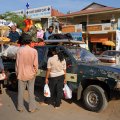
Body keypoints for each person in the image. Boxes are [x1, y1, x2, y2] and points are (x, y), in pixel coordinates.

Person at [16, 33, 38, 112]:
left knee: (20, 92)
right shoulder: (34, 51)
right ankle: (32, 108)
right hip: (31, 74)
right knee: (31, 92)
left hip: (21, 74)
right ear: (29, 42)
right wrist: (35, 72)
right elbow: (35, 64)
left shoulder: (19, 51)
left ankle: (20, 108)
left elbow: (17, 64)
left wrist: (17, 73)